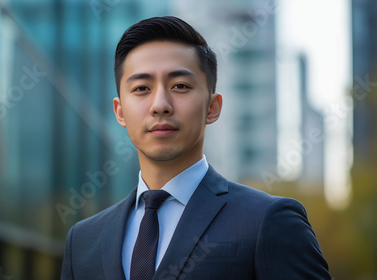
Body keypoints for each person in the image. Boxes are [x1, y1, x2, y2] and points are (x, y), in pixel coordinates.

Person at [61, 16, 331, 280]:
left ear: (212, 108)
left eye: (180, 85)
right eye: (142, 88)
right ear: (119, 112)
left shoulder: (268, 221)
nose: (160, 105)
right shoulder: (83, 240)